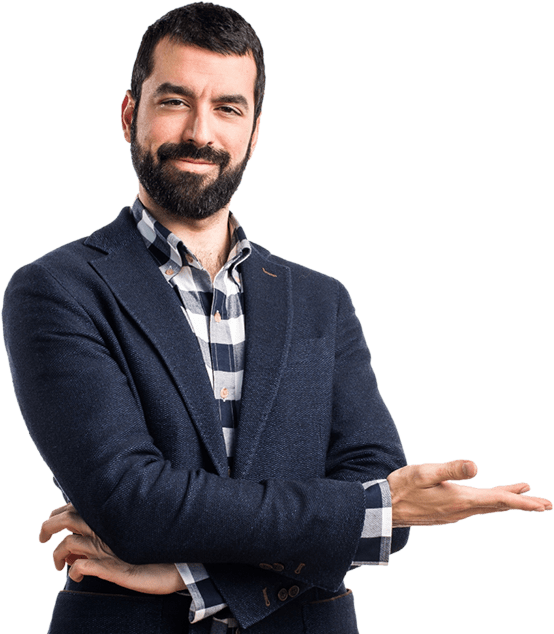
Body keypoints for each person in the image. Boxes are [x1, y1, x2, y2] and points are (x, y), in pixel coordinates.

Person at [2, 3, 551, 634]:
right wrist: (359, 512)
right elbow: (135, 504)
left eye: (228, 108)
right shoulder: (57, 289)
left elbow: (382, 503)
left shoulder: (321, 301)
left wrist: (196, 578)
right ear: (130, 114)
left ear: (255, 131)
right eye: (175, 101)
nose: (200, 132)